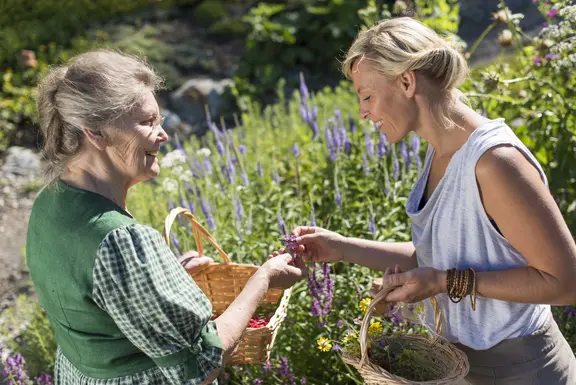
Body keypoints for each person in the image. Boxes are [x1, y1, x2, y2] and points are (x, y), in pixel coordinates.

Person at [292, 17, 576, 384]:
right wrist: (342, 248)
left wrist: (444, 282)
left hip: (524, 371)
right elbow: (437, 257)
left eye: (367, 95)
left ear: (407, 82)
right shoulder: (441, 154)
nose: (363, 112)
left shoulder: (494, 163)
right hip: (463, 368)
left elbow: (566, 283)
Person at [26, 49, 306, 385]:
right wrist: (261, 280)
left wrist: (166, 279)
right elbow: (202, 363)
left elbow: (94, 305)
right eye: (147, 122)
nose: (164, 135)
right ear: (96, 132)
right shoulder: (122, 240)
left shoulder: (50, 203)